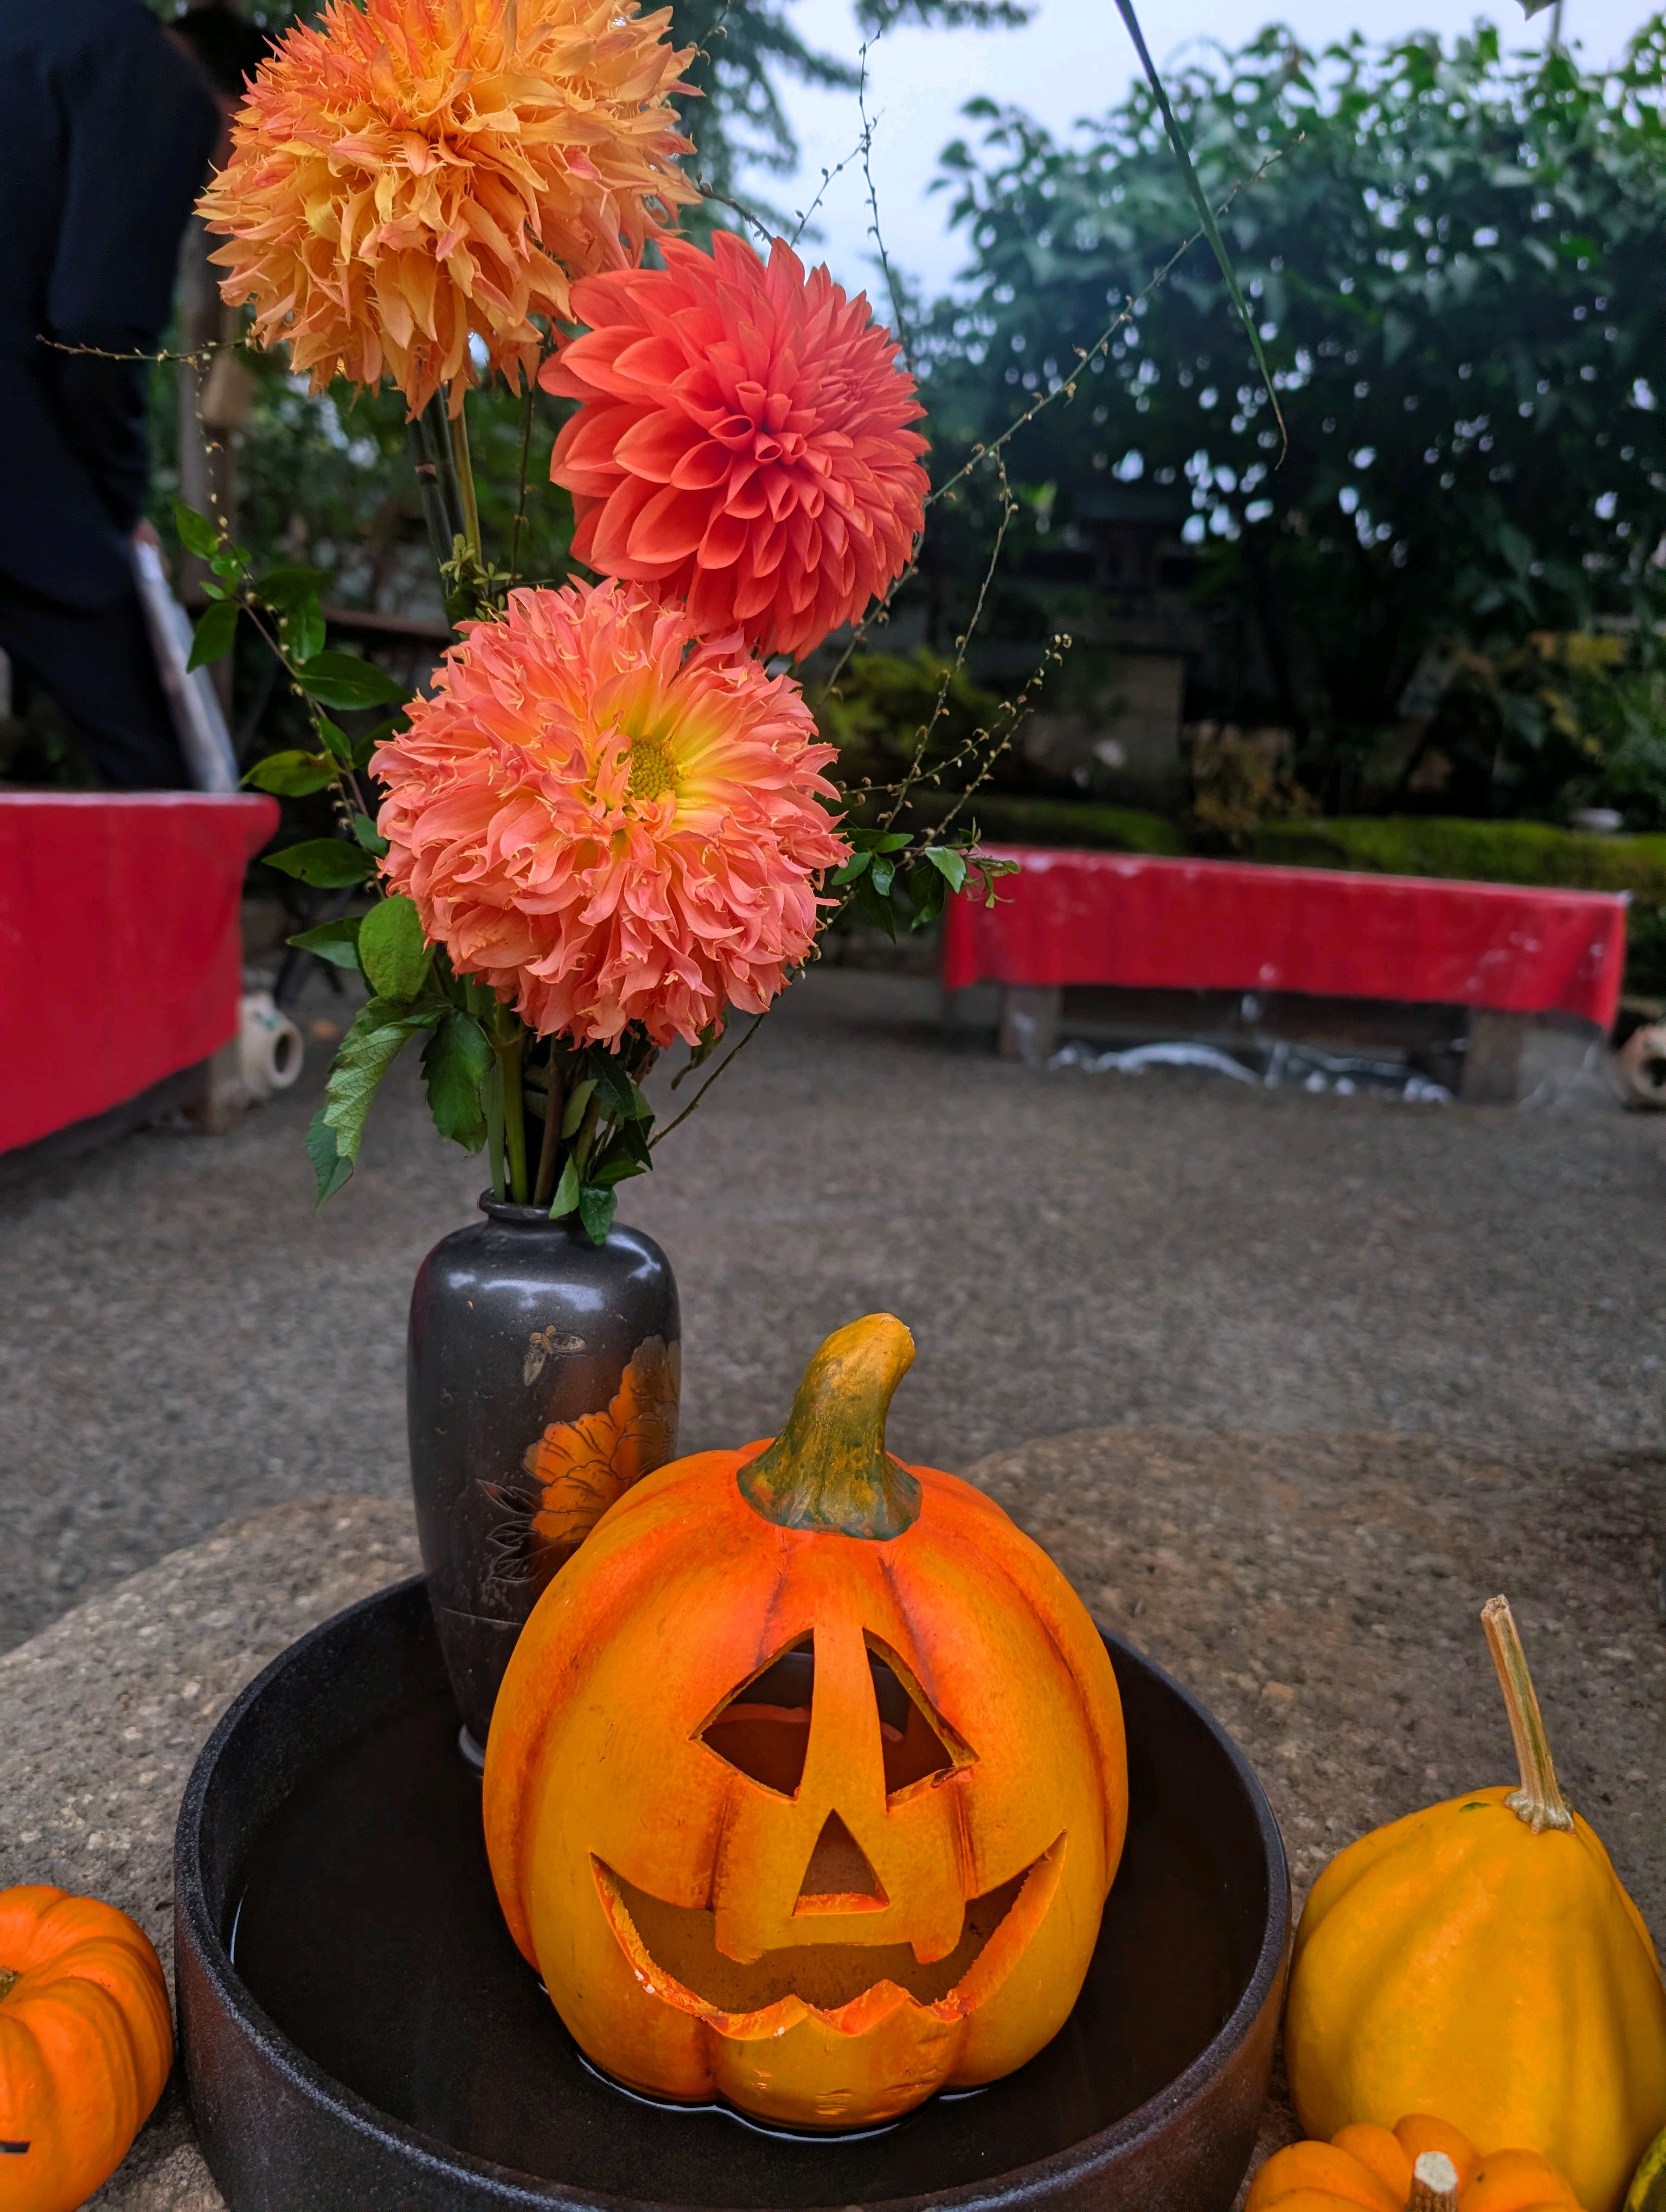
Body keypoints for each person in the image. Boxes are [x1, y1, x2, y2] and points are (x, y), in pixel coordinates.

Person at [0, 0, 222, 789]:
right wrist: (117, 504)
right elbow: (97, 325)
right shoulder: (151, 76)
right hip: (20, 472)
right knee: (170, 778)